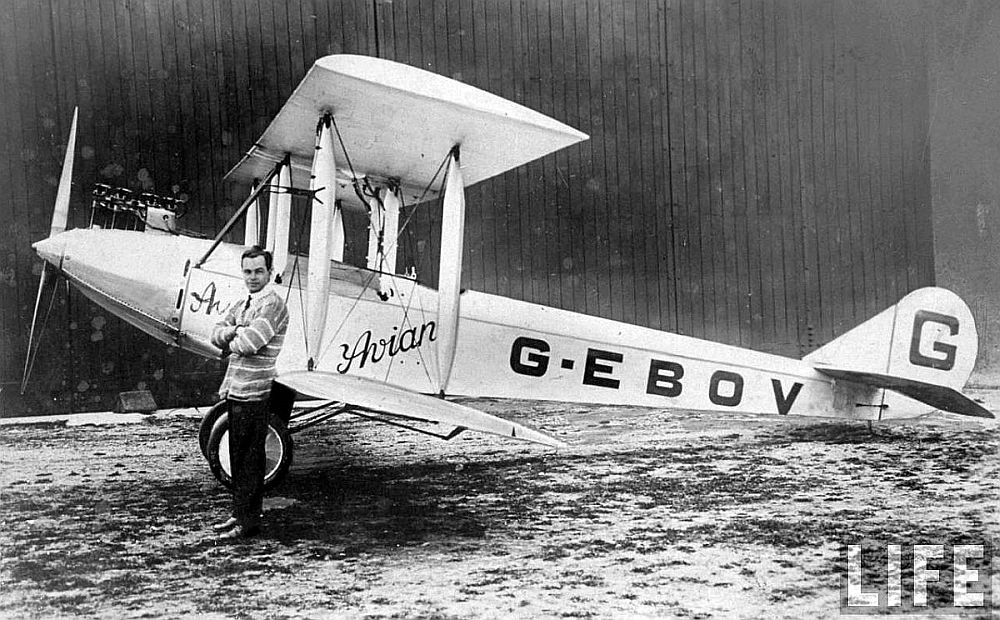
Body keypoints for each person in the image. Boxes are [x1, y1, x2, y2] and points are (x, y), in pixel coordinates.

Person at [209, 246, 289, 540]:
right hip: (236, 389)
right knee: (237, 456)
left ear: (269, 273)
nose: (252, 277)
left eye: (258, 271)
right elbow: (214, 332)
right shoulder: (245, 302)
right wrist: (232, 333)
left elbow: (251, 343)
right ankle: (238, 514)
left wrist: (231, 336)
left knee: (250, 460)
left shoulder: (273, 305)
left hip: (255, 390)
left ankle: (248, 522)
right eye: (247, 271)